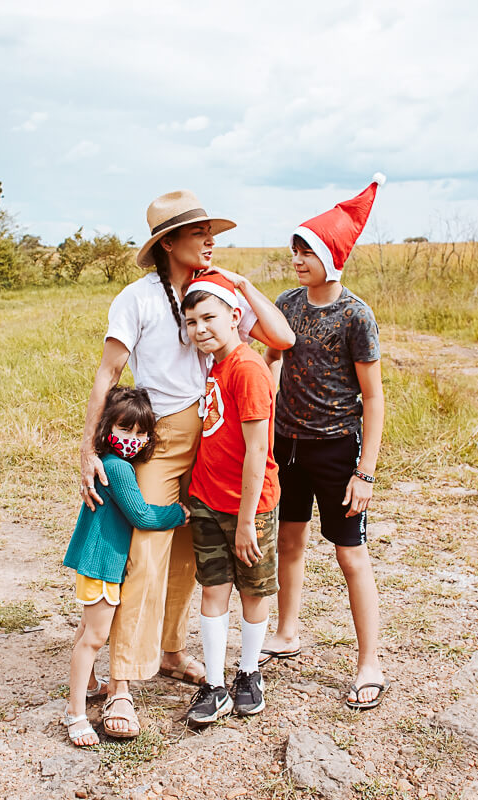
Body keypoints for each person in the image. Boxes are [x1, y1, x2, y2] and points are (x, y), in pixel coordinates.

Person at [78, 190, 294, 737]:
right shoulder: (138, 299)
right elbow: (107, 375)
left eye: (210, 232)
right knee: (144, 555)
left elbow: (280, 337)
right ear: (168, 243)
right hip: (163, 436)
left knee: (187, 558)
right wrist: (87, 450)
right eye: (199, 233)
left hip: (214, 434)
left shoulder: (211, 296)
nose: (211, 241)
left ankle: (170, 650)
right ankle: (122, 684)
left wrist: (242, 285)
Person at [261, 174, 390, 710]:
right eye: (294, 249)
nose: (296, 259)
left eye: (307, 250)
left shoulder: (355, 315)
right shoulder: (287, 305)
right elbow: (268, 357)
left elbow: (375, 399)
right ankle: (287, 632)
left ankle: (370, 662)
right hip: (286, 445)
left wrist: (365, 472)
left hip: (337, 449)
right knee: (288, 543)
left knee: (349, 553)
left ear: (331, 255)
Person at [179, 272, 282, 725]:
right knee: (214, 588)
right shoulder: (211, 368)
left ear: (234, 316)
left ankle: (249, 672)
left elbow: (258, 450)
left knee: (253, 590)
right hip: (205, 501)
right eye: (190, 321)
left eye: (208, 318)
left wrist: (245, 521)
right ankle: (216, 684)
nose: (199, 329)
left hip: (249, 507)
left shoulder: (246, 367)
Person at [61, 386, 187, 745]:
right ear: (107, 428)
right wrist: (179, 513)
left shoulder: (111, 461)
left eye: (141, 432)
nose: (133, 439)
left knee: (87, 629)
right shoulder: (118, 469)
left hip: (94, 560)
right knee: (95, 637)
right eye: (124, 430)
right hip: (103, 563)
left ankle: (86, 686)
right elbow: (143, 516)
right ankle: (75, 715)